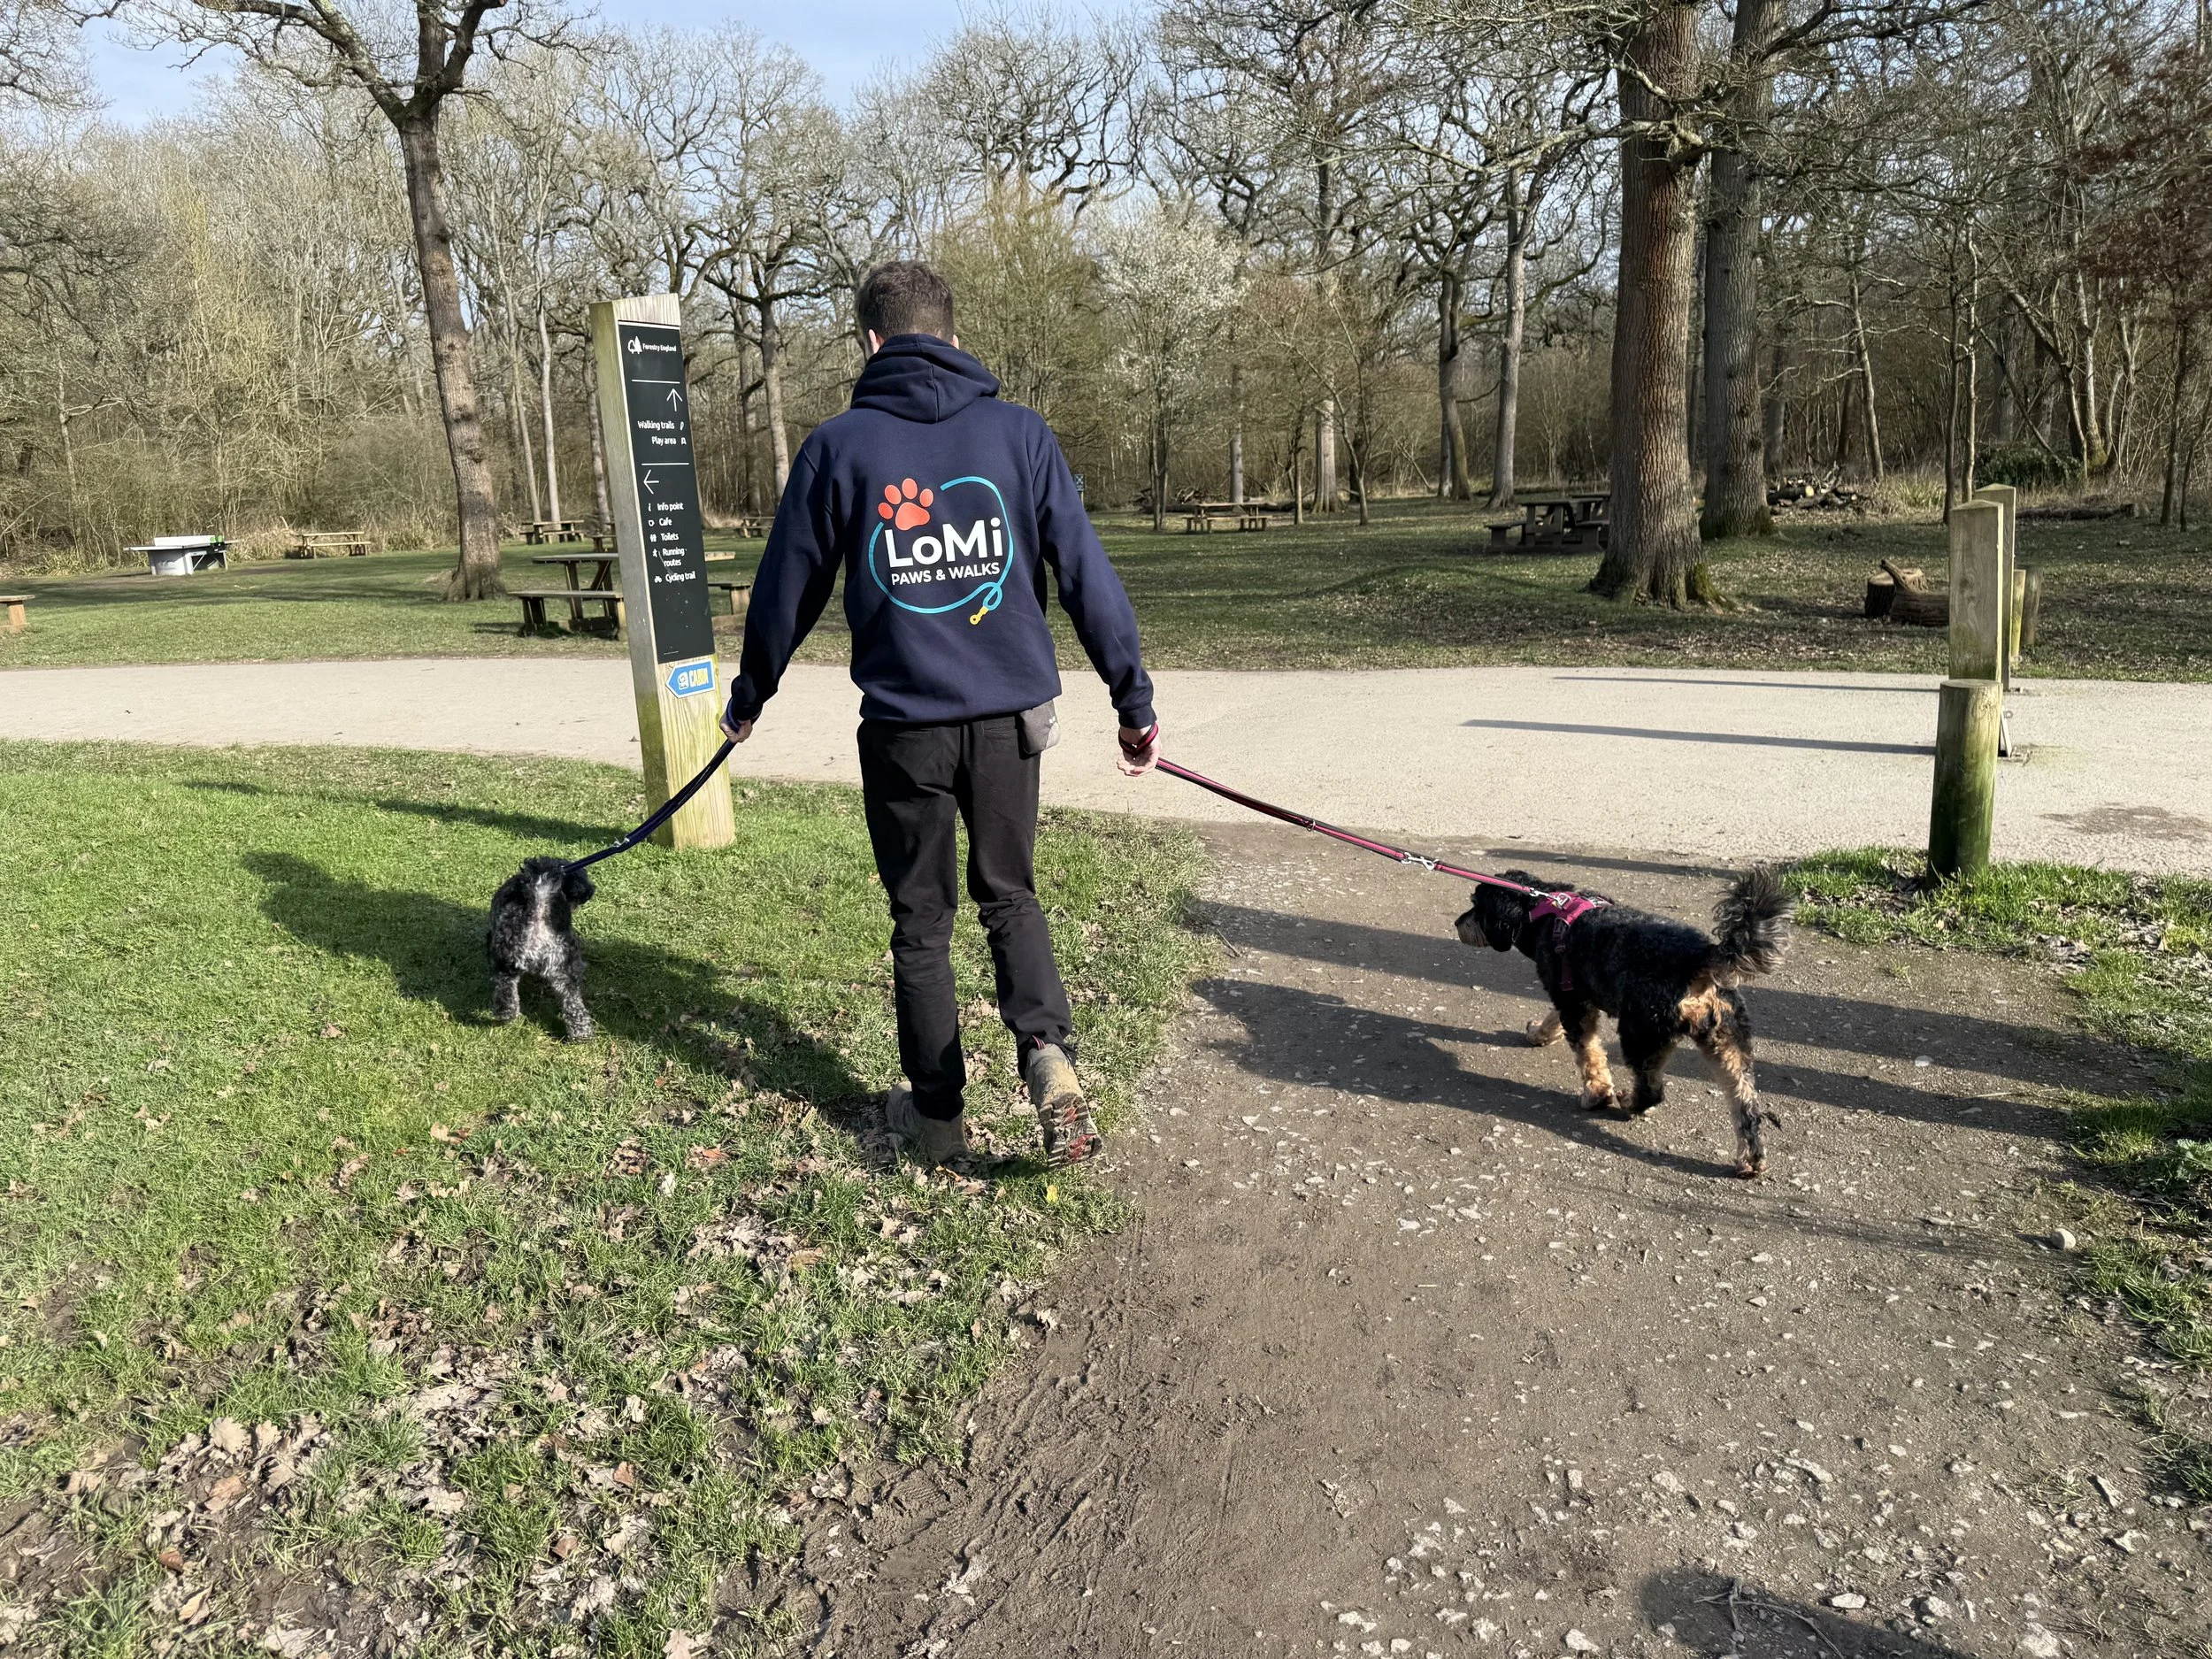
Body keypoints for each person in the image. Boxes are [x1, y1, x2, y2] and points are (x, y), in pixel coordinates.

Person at [721, 260, 1161, 1168]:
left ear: (869, 343)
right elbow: (1085, 572)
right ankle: (1048, 1056)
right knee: (1009, 896)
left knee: (921, 923)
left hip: (903, 728)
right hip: (1009, 722)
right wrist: (1133, 701)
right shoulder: (1021, 435)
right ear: (954, 338)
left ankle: (937, 1121)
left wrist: (749, 695)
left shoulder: (838, 448)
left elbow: (785, 588)